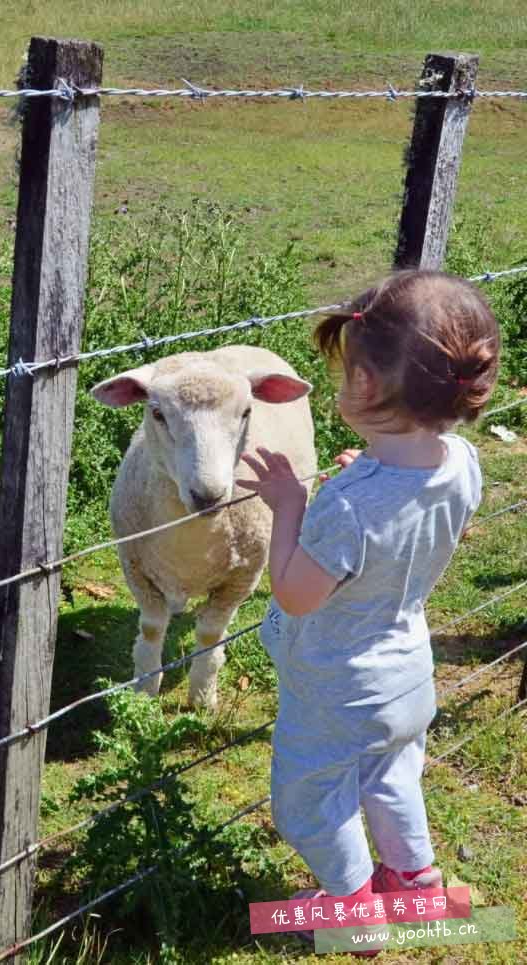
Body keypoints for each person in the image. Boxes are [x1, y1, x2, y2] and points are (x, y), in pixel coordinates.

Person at [236, 269, 500, 947]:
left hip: (338, 688)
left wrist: (292, 507)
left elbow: (296, 595)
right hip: (408, 672)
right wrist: (364, 467)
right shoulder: (462, 461)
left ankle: (352, 908)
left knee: (310, 806)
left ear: (366, 386)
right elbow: (405, 506)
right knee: (391, 776)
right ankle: (415, 882)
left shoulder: (347, 508)